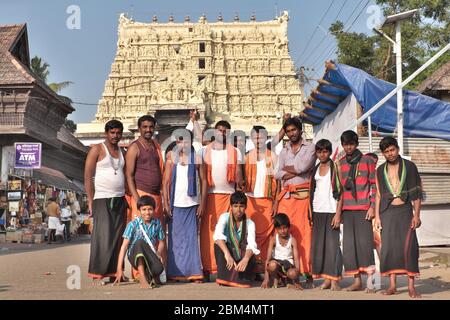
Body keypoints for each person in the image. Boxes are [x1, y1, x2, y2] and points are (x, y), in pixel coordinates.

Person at [374, 137, 422, 298]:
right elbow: (379, 195)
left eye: (392, 150)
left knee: (410, 248)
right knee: (389, 249)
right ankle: (392, 286)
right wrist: (377, 217)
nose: (390, 154)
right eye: (386, 151)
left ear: (398, 149)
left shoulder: (410, 166)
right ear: (383, 153)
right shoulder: (380, 170)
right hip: (387, 212)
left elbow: (416, 194)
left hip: (405, 211)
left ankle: (411, 287)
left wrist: (417, 215)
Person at [274, 116, 316, 286]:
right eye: (289, 131)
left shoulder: (310, 148)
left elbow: (304, 167)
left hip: (303, 197)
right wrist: (295, 171)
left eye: (294, 130)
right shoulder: (283, 151)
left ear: (300, 130)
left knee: (304, 235)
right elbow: (277, 174)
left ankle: (307, 272)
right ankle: (287, 274)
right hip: (286, 198)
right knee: (285, 234)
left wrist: (289, 170)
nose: (292, 133)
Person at [84, 119, 128, 284]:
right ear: (106, 133)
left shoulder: (122, 151)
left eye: (118, 133)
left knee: (118, 237)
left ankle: (116, 272)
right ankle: (100, 272)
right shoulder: (97, 149)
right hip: (102, 198)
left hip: (119, 197)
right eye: (112, 133)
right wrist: (90, 200)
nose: (115, 136)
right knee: (103, 236)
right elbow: (88, 176)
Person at [200, 120, 244, 280]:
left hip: (229, 197)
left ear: (229, 133)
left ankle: (228, 269)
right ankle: (207, 268)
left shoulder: (235, 151)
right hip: (209, 196)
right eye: (219, 130)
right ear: (214, 132)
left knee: (229, 233)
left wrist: (240, 190)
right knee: (207, 234)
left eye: (225, 130)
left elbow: (239, 174)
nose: (222, 133)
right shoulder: (204, 151)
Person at [163, 130, 207, 282]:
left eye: (187, 141)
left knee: (191, 240)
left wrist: (202, 203)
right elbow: (166, 182)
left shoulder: (198, 158)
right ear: (177, 143)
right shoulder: (171, 157)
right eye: (181, 141)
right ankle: (175, 273)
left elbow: (204, 182)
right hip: (175, 204)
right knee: (175, 241)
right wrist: (166, 203)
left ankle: (194, 272)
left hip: (192, 204)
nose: (184, 144)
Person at [338, 130, 376, 292]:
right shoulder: (340, 163)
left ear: (356, 144)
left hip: (363, 209)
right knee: (349, 247)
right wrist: (338, 212)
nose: (348, 148)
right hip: (347, 210)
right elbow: (339, 190)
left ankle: (371, 282)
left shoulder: (367, 161)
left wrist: (373, 206)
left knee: (365, 245)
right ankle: (357, 281)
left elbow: (374, 185)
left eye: (351, 144)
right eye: (345, 144)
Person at [310, 139, 343, 291]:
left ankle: (335, 279)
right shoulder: (315, 169)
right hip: (317, 210)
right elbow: (312, 191)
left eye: (325, 151)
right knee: (320, 247)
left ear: (329, 152)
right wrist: (310, 210)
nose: (322, 154)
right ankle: (326, 280)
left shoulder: (335, 167)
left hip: (331, 211)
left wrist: (338, 214)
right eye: (319, 152)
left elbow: (341, 194)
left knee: (333, 247)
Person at [244, 126, 278, 272]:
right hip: (250, 200)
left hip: (267, 199)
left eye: (261, 137)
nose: (258, 140)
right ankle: (252, 268)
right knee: (251, 234)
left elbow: (278, 181)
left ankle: (264, 267)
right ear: (252, 139)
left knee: (266, 236)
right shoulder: (247, 157)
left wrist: (276, 202)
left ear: (266, 138)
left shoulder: (272, 157)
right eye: (256, 137)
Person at [114, 196, 166, 289]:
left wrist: (158, 253)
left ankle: (150, 275)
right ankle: (142, 279)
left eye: (150, 209)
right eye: (144, 209)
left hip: (150, 254)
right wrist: (119, 269)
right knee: (139, 242)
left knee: (158, 269)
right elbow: (124, 247)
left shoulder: (157, 223)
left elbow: (162, 242)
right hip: (134, 256)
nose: (147, 212)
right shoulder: (132, 224)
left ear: (154, 209)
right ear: (139, 210)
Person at [213, 191, 259, 288]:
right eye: (235, 206)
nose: (238, 210)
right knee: (218, 244)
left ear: (245, 207)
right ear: (231, 206)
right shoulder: (224, 217)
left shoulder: (250, 223)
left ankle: (236, 277)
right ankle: (227, 277)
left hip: (241, 255)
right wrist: (227, 254)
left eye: (241, 206)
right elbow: (217, 235)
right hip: (228, 255)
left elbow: (252, 244)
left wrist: (246, 259)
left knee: (250, 253)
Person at [125, 115, 164, 224]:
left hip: (156, 195)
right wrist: (137, 199)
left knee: (156, 232)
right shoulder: (134, 148)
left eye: (151, 127)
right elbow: (129, 175)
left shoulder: (156, 146)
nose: (148, 130)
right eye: (145, 127)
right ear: (139, 128)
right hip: (141, 193)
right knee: (141, 233)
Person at [261, 213, 302, 290]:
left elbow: (296, 260)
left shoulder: (293, 240)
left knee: (292, 273)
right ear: (276, 229)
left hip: (288, 264)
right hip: (276, 264)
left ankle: (288, 280)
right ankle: (275, 278)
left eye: (285, 228)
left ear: (288, 227)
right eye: (279, 228)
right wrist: (266, 278)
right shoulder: (273, 239)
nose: (282, 231)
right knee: (272, 265)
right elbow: (268, 259)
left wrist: (297, 280)